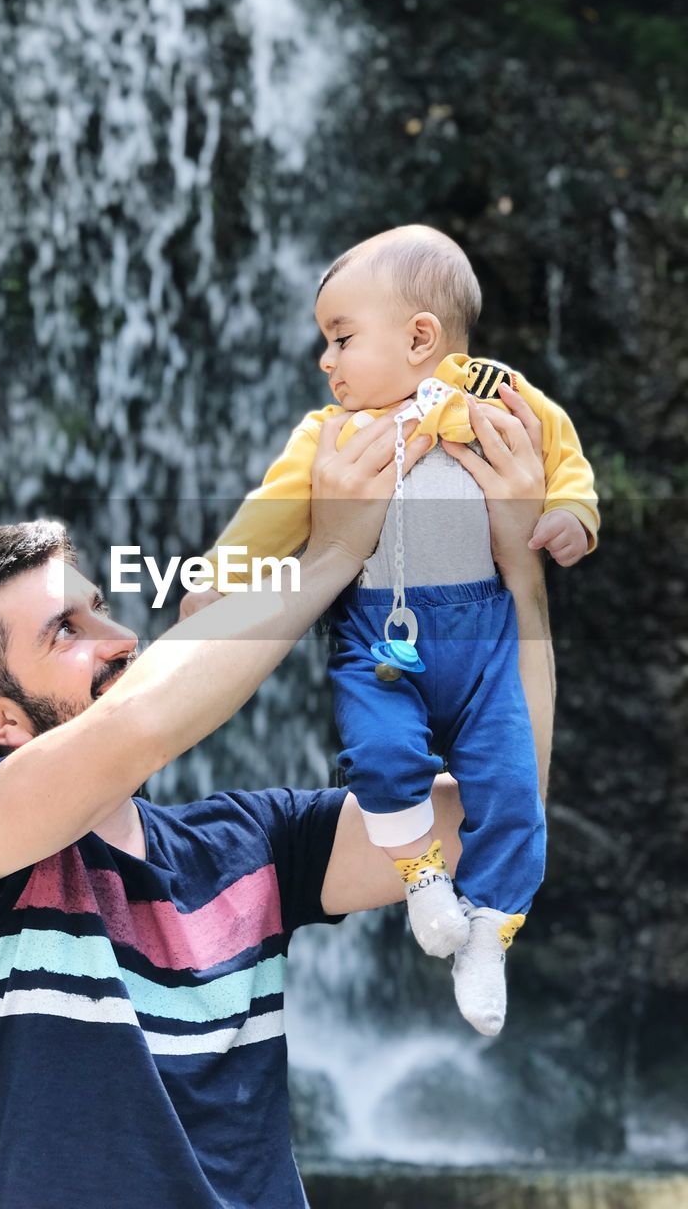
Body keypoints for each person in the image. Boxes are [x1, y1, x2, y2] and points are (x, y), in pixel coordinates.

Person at [0, 398, 553, 1209]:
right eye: (65, 632)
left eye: (101, 605)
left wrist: (518, 578)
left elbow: (505, 805)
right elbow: (140, 727)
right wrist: (336, 550)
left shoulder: (256, 842)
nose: (120, 636)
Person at [181, 225, 597, 1036]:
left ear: (418, 338)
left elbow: (564, 452)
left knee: (510, 789)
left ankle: (489, 935)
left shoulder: (501, 395)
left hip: (485, 634)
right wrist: (218, 578)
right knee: (377, 755)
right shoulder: (326, 437)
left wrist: (573, 513)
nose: (325, 362)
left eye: (340, 339)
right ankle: (422, 880)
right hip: (381, 637)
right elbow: (269, 516)